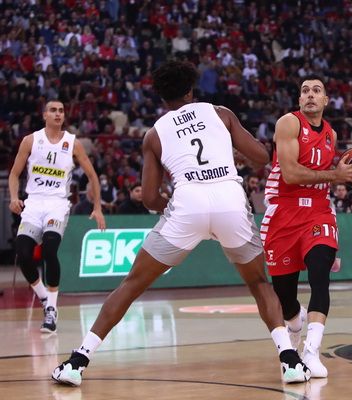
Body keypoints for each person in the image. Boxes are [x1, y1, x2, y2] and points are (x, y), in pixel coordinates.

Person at [52, 61, 310, 386]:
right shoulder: (220, 113)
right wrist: (232, 154)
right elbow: (261, 156)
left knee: (131, 285)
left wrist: (176, 211)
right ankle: (289, 360)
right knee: (259, 283)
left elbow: (149, 197)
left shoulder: (154, 134)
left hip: (188, 204)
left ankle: (78, 362)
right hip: (230, 199)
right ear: (190, 90)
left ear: (162, 97)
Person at [261, 75, 352, 379]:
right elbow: (291, 174)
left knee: (321, 277)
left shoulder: (331, 134)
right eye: (305, 90)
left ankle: (312, 350)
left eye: (316, 91)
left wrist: (340, 178)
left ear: (325, 100)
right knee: (285, 297)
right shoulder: (289, 123)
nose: (310, 94)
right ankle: (295, 324)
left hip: (318, 212)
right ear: (299, 99)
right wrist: (335, 175)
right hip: (284, 211)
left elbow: (328, 178)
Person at [8, 100, 106, 333]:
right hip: (33, 203)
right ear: (44, 115)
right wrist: (13, 197)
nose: (58, 114)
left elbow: (93, 176)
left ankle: (51, 309)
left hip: (57, 204)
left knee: (49, 251)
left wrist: (98, 207)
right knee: (23, 254)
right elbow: (14, 174)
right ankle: (44, 297)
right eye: (53, 110)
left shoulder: (73, 143)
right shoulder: (31, 140)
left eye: (61, 110)